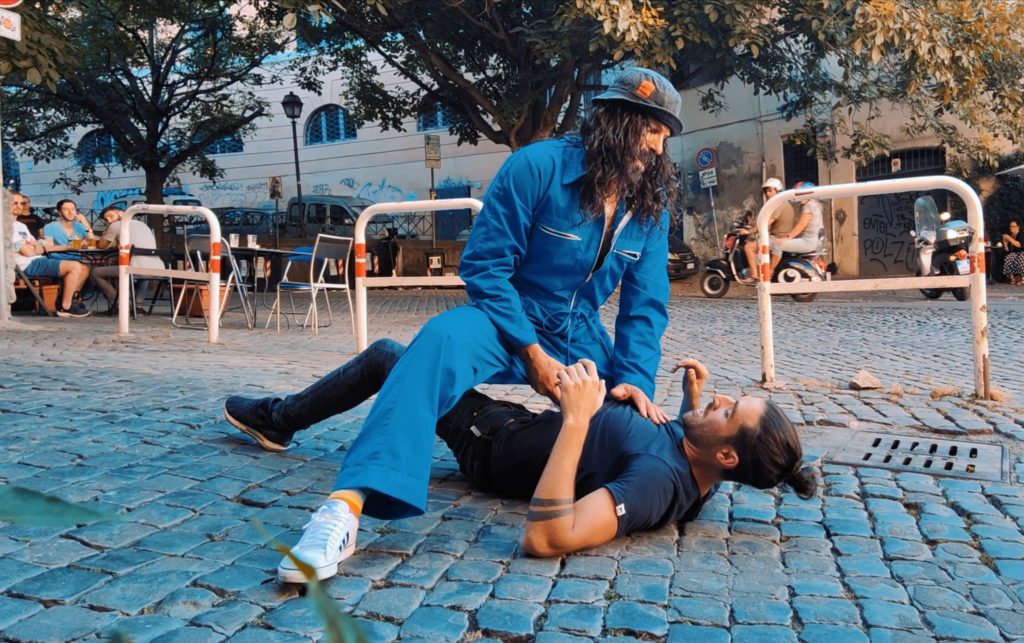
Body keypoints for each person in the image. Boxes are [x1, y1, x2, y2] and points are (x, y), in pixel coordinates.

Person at [276, 68, 679, 535]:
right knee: (440, 338)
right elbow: (485, 267)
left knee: (629, 428)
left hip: (578, 333)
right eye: (651, 130)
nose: (657, 148)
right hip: (507, 316)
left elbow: (645, 305)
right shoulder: (535, 167)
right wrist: (531, 353)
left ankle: (327, 397)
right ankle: (347, 505)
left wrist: (634, 381)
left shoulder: (650, 206)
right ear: (616, 121)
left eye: (665, 137)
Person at [223, 339, 816, 581]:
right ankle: (280, 418)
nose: (720, 397)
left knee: (389, 358)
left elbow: (548, 536)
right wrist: (687, 404)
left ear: (729, 452)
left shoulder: (659, 484)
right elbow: (697, 475)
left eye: (729, 407)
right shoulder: (700, 467)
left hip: (493, 443)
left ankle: (278, 419)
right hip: (518, 420)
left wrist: (581, 418)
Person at [9, 193, 91, 317]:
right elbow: (30, 251)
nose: (20, 206)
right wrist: (33, 248)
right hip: (25, 264)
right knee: (74, 266)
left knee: (84, 267)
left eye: (22, 203)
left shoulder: (21, 226)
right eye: (15, 203)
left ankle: (67, 303)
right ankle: (65, 306)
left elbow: (40, 248)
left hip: (38, 259)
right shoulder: (7, 227)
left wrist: (33, 248)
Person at [91, 205, 162, 313]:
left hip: (135, 268)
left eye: (110, 216)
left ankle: (120, 304)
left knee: (96, 272)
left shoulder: (116, 225)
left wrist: (106, 229)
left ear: (121, 213)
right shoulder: (143, 224)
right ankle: (138, 306)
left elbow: (101, 245)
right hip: (157, 267)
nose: (109, 220)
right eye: (106, 219)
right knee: (142, 266)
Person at [764, 180, 824, 278]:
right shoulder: (814, 204)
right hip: (812, 240)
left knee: (777, 245)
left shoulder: (809, 205)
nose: (798, 197)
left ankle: (769, 272)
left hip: (808, 242)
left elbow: (801, 225)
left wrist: (786, 237)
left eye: (800, 193)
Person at [740, 177, 788, 284]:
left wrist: (748, 231)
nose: (768, 194)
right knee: (754, 243)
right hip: (778, 236)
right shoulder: (782, 203)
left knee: (748, 247)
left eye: (771, 190)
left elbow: (765, 223)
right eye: (767, 191)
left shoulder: (778, 205)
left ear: (778, 190)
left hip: (777, 239)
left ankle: (754, 276)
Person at [1002, 220, 1023, 285]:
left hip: (1022, 252)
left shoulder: (1021, 234)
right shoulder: (1011, 235)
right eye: (1010, 227)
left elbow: (1019, 245)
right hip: (1015, 254)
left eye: (1014, 226)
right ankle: (1012, 278)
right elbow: (1007, 250)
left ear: (1018, 227)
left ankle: (1022, 278)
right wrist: (1005, 243)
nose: (1012, 228)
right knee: (1009, 257)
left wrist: (1009, 238)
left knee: (1021, 257)